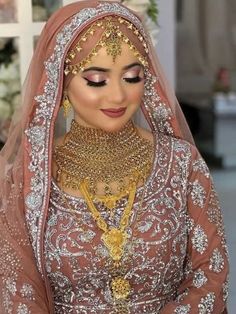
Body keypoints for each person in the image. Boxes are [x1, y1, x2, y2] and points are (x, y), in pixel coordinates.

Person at [0, 1, 229, 313]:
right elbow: (18, 291)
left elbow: (210, 273)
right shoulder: (29, 178)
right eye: (97, 80)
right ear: (61, 81)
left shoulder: (182, 164)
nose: (118, 96)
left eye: (132, 77)